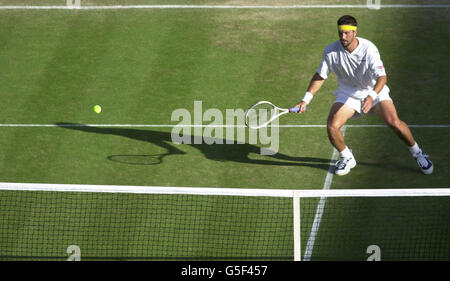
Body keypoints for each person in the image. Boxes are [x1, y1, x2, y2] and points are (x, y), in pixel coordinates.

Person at [294, 15, 433, 176]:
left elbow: (382, 77)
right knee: (332, 126)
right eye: (340, 32)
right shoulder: (331, 51)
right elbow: (320, 76)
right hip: (349, 93)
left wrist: (372, 96)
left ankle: (418, 153)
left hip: (374, 90)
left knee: (394, 123)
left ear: (355, 32)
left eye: (347, 33)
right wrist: (305, 100)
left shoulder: (369, 49)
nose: (343, 37)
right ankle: (347, 157)